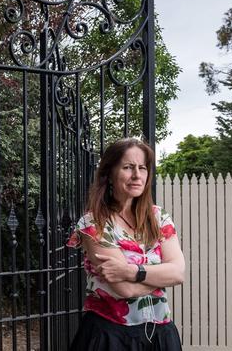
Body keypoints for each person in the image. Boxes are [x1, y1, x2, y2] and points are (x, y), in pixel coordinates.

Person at [67, 138, 185, 350]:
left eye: (142, 168)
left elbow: (178, 274)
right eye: (128, 167)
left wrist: (131, 271)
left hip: (160, 335)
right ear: (110, 173)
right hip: (110, 337)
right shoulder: (94, 223)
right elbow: (125, 290)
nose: (137, 175)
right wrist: (160, 276)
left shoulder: (159, 217)